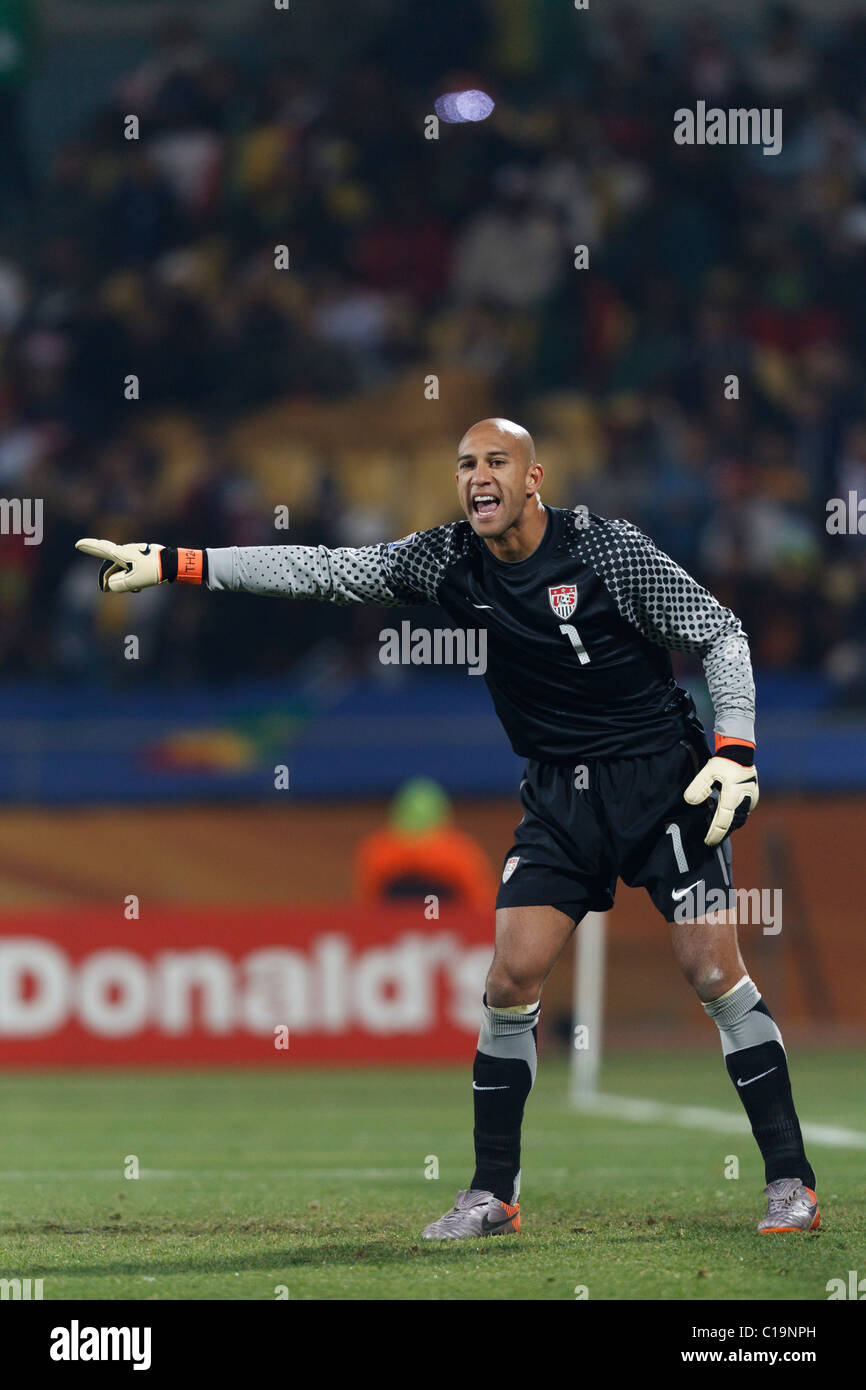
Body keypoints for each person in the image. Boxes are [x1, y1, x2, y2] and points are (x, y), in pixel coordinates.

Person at [75, 416, 818, 1239]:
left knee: (712, 972)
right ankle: (492, 1195)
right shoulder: (448, 559)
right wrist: (179, 563)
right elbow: (327, 570)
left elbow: (720, 630)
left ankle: (791, 1181)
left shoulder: (608, 549)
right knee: (510, 980)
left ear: (534, 478)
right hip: (557, 799)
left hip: (661, 783)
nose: (478, 477)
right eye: (466, 464)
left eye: (497, 461)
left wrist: (737, 750)